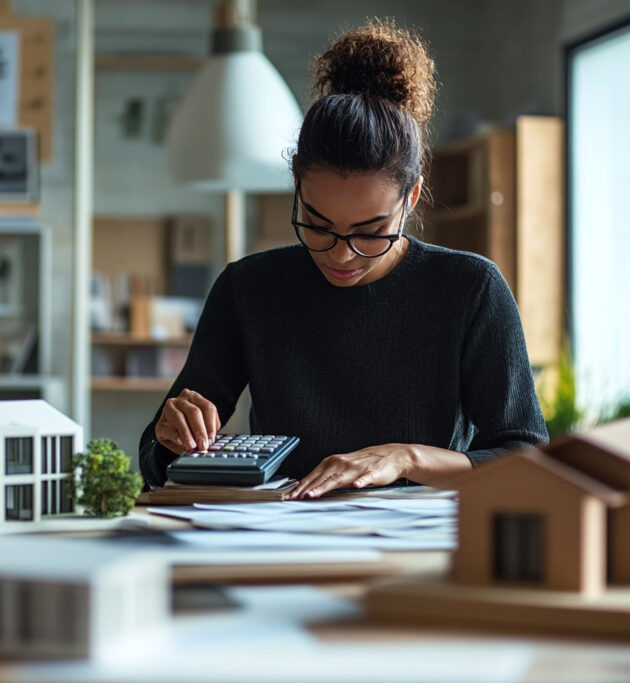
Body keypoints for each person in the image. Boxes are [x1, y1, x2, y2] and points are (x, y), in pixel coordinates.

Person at [139, 19, 547, 499]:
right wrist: (171, 436)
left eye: (370, 232)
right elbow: (153, 461)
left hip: (417, 535)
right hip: (283, 533)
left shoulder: (470, 288)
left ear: (412, 197)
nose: (341, 253)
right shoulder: (249, 288)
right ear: (297, 186)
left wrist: (405, 458)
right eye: (318, 225)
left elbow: (525, 459)